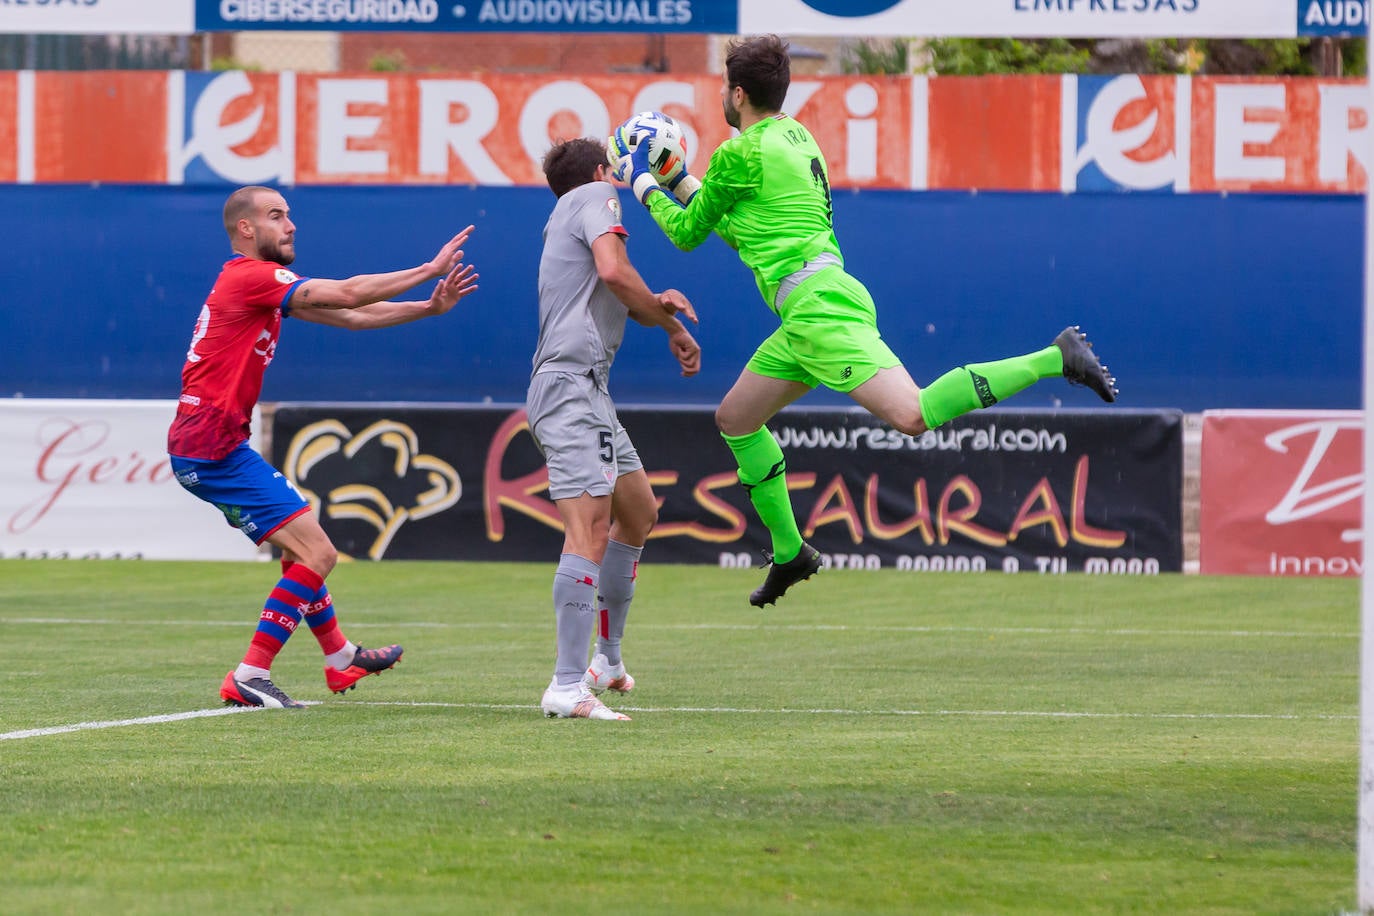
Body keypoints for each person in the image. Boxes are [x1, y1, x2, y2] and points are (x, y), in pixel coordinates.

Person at [614, 34, 1118, 608]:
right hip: (813, 303)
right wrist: (677, 180)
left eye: (723, 88)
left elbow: (686, 235)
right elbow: (740, 231)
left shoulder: (739, 153)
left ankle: (1056, 356)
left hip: (817, 311)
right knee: (735, 418)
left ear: (737, 93)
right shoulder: (797, 137)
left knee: (914, 414)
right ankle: (790, 552)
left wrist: (642, 180)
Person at [168, 185, 480, 709]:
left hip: (214, 444)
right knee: (319, 551)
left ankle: (340, 659)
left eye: (289, 215)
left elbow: (354, 318)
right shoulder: (251, 276)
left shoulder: (259, 288)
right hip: (210, 446)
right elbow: (353, 294)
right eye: (276, 216)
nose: (290, 225)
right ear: (246, 229)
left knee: (300, 551)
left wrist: (428, 308)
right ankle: (250, 674)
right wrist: (429, 269)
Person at [531, 138, 701, 721]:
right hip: (570, 388)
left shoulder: (563, 215)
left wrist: (659, 311)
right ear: (604, 173)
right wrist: (667, 320)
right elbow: (613, 268)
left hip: (590, 391)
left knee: (638, 511)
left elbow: (614, 285)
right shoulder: (598, 196)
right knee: (590, 530)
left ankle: (606, 661)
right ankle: (565, 686)